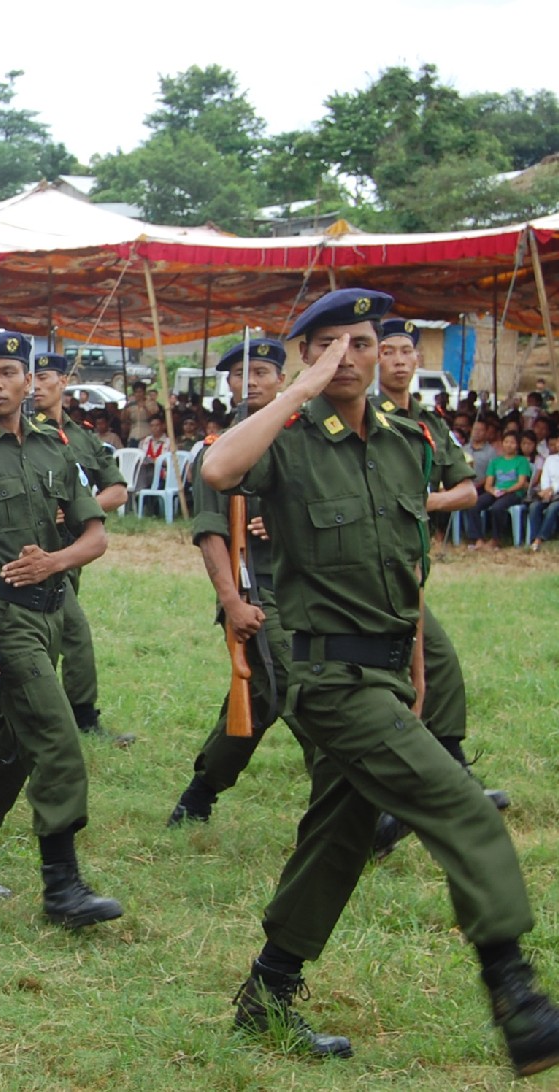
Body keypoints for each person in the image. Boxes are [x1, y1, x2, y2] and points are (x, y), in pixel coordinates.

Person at [201, 287, 559, 1073]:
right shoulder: (286, 438)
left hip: (389, 672)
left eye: (360, 343)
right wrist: (296, 387)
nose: (348, 358)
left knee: (338, 834)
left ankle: (266, 995)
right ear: (305, 356)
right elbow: (218, 468)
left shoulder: (405, 441)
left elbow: (407, 569)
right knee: (463, 809)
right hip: (327, 680)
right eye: (328, 345)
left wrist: (417, 670)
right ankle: (515, 991)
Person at [0, 332, 122, 926]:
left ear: (29, 380)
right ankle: (63, 887)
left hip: (52, 610)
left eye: (10, 372)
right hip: (2, 617)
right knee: (58, 740)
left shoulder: (54, 449)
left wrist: (53, 562)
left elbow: (95, 534)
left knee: (9, 746)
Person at [366, 316, 508, 858]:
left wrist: (416, 503)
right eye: (390, 351)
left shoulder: (429, 422)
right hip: (366, 564)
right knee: (393, 678)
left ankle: (448, 778)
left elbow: (467, 491)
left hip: (409, 564)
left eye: (407, 351)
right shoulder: (364, 416)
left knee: (436, 668)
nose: (400, 360)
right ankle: (384, 804)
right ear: (375, 362)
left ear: (418, 361)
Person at [166, 337, 311, 826]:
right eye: (238, 375)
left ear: (283, 381)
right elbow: (210, 536)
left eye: (262, 374)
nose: (250, 382)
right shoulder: (218, 452)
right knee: (293, 687)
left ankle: (199, 793)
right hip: (258, 587)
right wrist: (231, 602)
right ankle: (354, 803)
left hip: (315, 586)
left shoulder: (307, 441)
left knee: (263, 695)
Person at [29, 353, 135, 746]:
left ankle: (50, 714)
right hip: (34, 551)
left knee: (56, 633)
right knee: (72, 632)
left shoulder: (83, 435)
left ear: (64, 381)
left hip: (74, 550)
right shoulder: (21, 430)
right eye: (32, 378)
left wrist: (81, 509)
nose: (36, 386)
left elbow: (117, 490)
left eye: (44, 377)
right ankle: (80, 717)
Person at [467, 431, 531, 548]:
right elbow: (488, 484)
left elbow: (521, 483)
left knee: (498, 508)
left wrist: (506, 491)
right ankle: (478, 538)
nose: (508, 445)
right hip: (496, 491)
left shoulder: (522, 461)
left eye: (512, 442)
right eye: (506, 442)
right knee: (474, 504)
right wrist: (493, 491)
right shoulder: (495, 462)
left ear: (517, 445)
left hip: (514, 492)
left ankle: (496, 539)